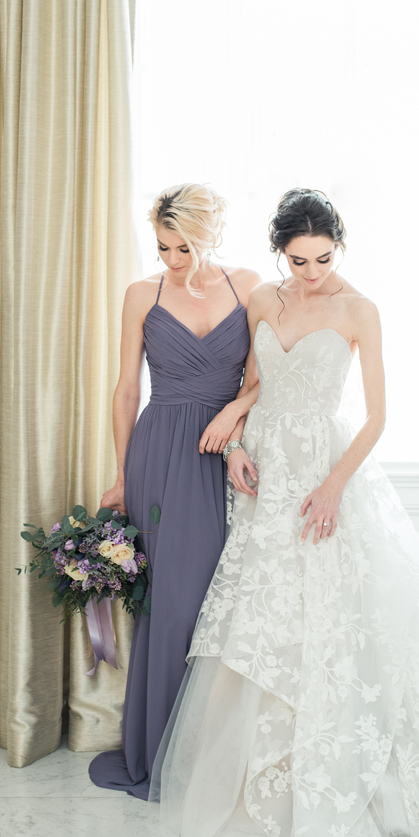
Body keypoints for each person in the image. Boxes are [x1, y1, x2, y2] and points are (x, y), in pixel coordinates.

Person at [150, 188, 419, 837]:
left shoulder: (359, 310)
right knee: (263, 616)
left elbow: (378, 416)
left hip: (324, 472)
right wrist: (232, 440)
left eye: (323, 258)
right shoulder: (262, 299)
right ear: (280, 252)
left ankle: (342, 767)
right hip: (265, 471)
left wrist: (332, 485)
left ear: (339, 248)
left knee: (335, 618)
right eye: (298, 260)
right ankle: (267, 769)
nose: (311, 272)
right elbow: (253, 384)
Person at [89, 183, 260, 800]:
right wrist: (120, 475)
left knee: (223, 602)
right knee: (171, 606)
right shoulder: (144, 294)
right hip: (160, 454)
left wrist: (233, 413)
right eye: (163, 247)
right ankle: (160, 751)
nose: (171, 260)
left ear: (210, 235)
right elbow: (126, 390)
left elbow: (264, 377)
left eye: (183, 247)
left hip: (227, 454)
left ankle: (216, 756)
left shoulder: (250, 286)